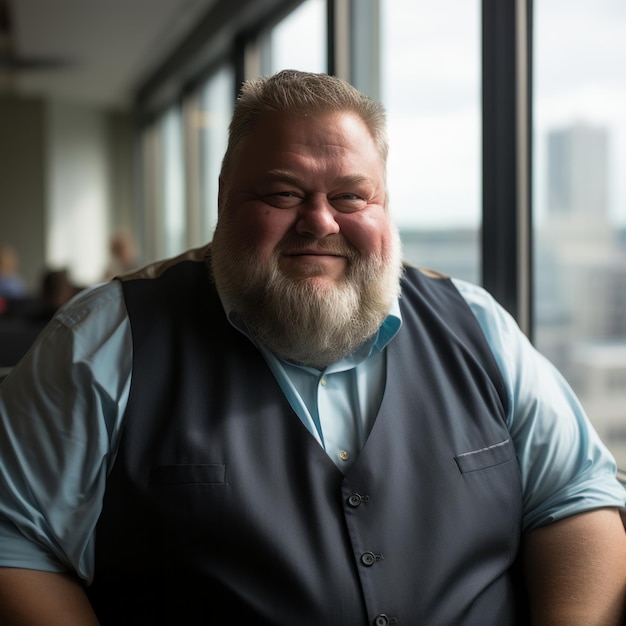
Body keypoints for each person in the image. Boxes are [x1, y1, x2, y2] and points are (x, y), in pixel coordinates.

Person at [0, 70, 625, 625]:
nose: (320, 221)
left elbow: (575, 497)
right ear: (222, 204)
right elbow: (14, 543)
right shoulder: (105, 336)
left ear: (385, 208)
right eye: (283, 193)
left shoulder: (479, 324)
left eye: (351, 196)